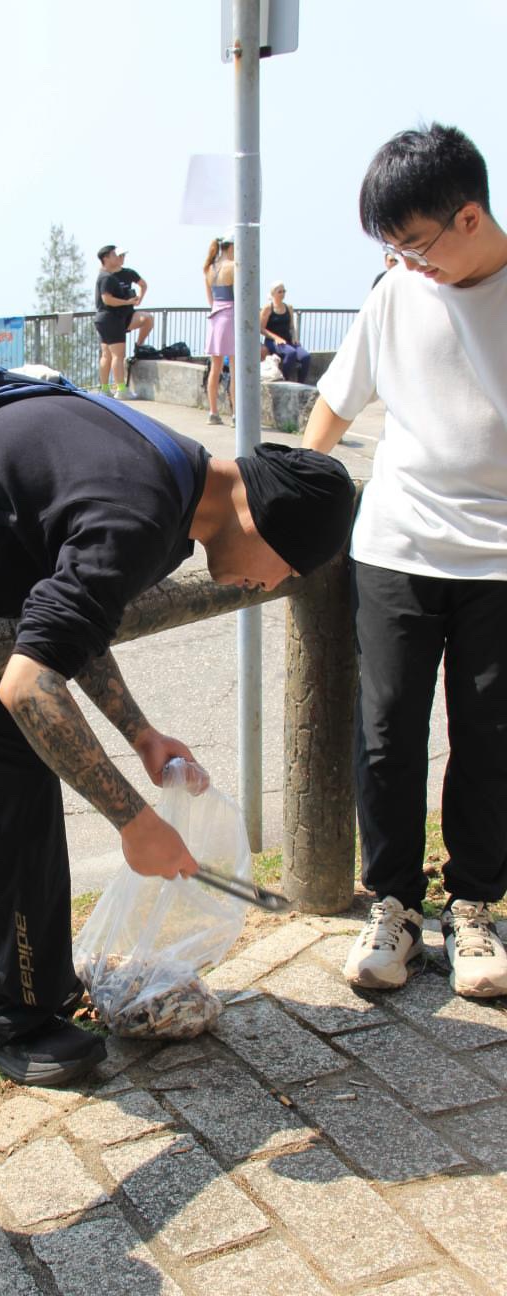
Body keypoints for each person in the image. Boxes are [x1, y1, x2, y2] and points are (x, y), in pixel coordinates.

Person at [0, 385, 355, 1087]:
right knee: (7, 784)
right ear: (264, 520)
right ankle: (12, 1019)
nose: (267, 585)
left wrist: (142, 732)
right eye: (287, 571)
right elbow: (29, 687)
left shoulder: (172, 473)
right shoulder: (142, 514)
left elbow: (67, 621)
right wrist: (134, 820)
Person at [302, 122, 507, 999]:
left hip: (501, 561)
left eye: (416, 244)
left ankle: (475, 910)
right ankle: (392, 906)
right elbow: (332, 407)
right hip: (395, 544)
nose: (405, 263)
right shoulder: (395, 293)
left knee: (491, 741)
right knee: (386, 737)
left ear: (469, 217)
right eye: (391, 248)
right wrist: (302, 507)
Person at [93, 245, 154, 399]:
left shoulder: (108, 275)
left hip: (105, 318)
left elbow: (143, 284)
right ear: (105, 258)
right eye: (114, 254)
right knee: (117, 355)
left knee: (107, 354)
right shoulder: (107, 277)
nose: (118, 257)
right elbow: (107, 299)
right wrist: (127, 302)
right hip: (111, 318)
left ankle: (105, 388)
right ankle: (121, 389)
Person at [204, 232, 235, 426]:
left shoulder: (210, 268)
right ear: (231, 246)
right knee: (234, 367)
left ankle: (213, 412)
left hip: (215, 317)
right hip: (230, 316)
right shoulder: (233, 267)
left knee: (215, 368)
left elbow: (210, 299)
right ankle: (235, 414)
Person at [260, 282, 311, 383]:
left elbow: (292, 327)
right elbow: (261, 329)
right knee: (291, 353)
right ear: (273, 293)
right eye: (280, 292)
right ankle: (285, 379)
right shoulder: (268, 308)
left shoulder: (289, 307)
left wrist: (295, 338)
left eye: (284, 291)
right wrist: (276, 338)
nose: (282, 294)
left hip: (287, 340)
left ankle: (301, 383)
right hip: (273, 341)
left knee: (306, 356)